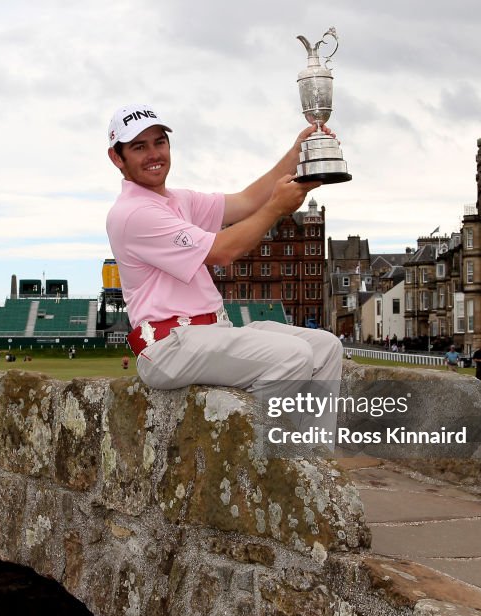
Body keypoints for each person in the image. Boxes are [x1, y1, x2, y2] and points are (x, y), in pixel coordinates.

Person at [105, 103, 342, 402]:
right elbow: (222, 252)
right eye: (139, 147)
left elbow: (246, 201)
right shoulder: (132, 213)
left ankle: (311, 447)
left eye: (160, 142)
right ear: (117, 157)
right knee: (294, 357)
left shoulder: (178, 199)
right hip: (169, 346)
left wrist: (298, 154)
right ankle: (253, 442)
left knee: (327, 347)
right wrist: (277, 208)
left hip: (212, 331)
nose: (154, 154)